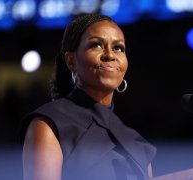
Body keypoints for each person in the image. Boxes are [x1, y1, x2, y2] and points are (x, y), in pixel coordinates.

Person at [20, 13, 157, 180]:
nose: (110, 55)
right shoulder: (48, 126)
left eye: (118, 48)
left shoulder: (135, 143)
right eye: (96, 45)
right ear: (72, 61)